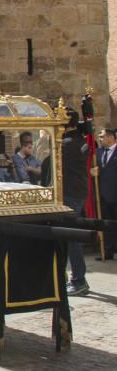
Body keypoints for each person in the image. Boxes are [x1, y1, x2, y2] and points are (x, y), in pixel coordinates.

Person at [61, 112, 90, 294]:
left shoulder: (66, 144)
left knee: (71, 238)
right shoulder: (81, 140)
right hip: (78, 191)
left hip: (70, 192)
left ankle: (79, 280)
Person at [95, 126, 117, 261]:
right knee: (107, 224)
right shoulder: (98, 152)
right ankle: (108, 251)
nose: (100, 138)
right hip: (103, 195)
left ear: (110, 137)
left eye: (102, 136)